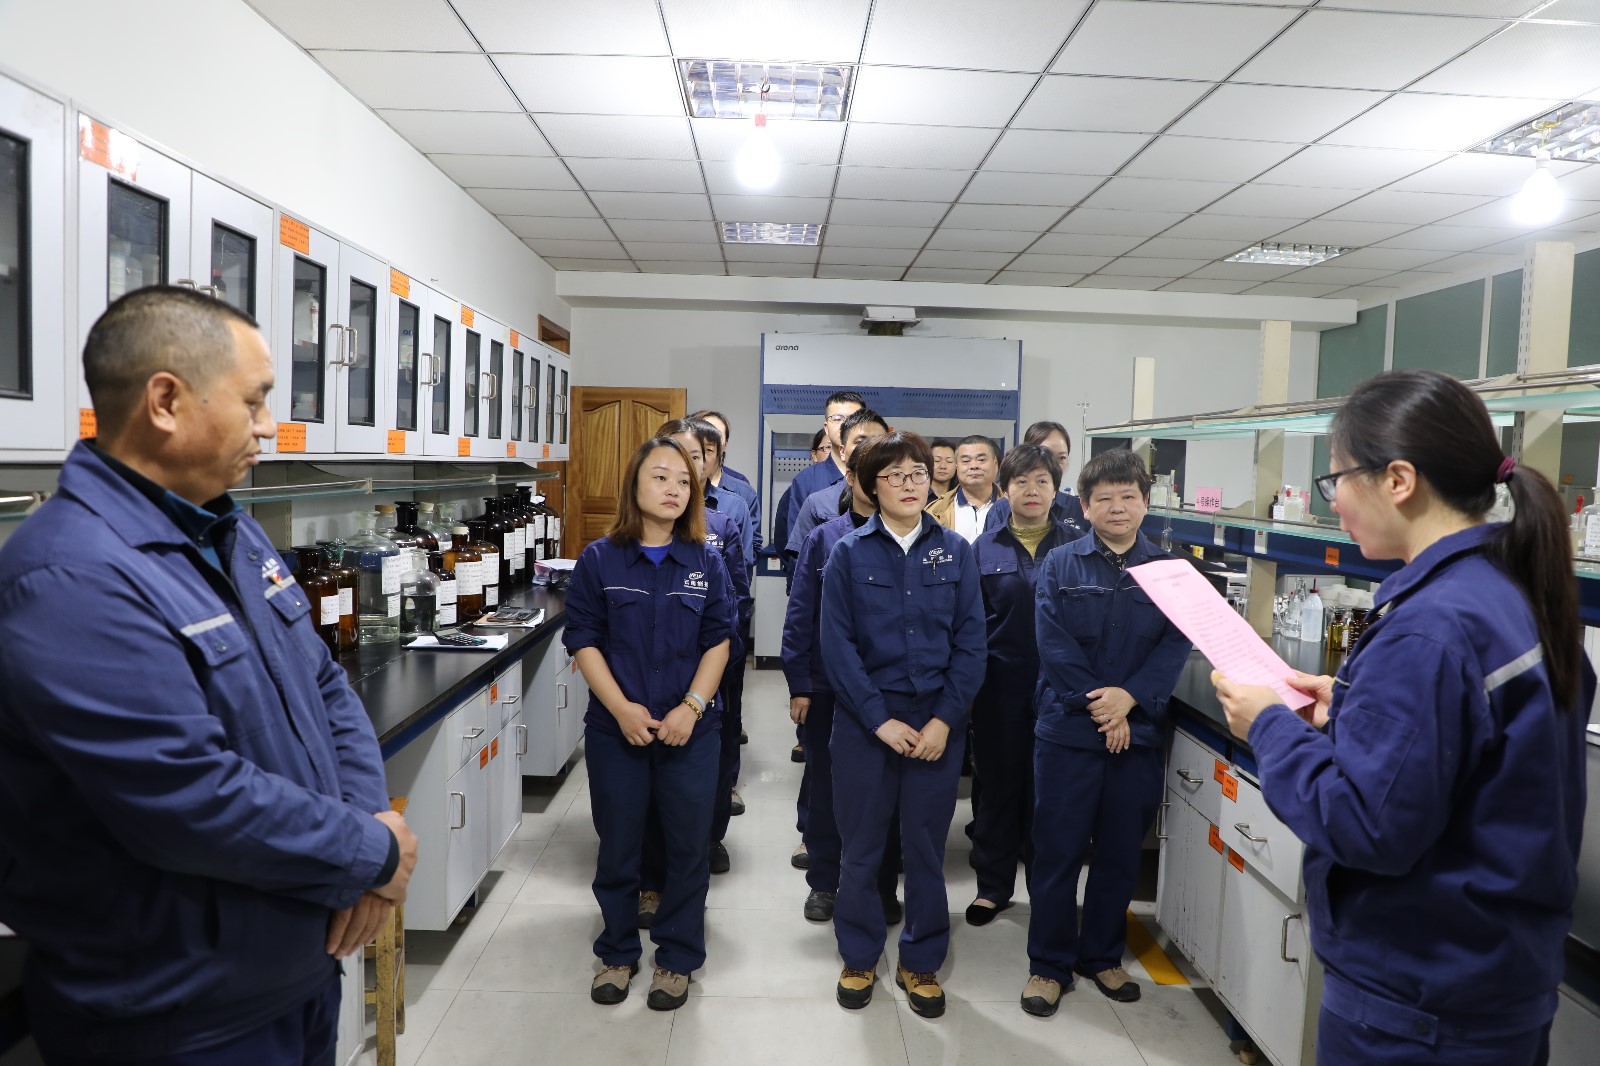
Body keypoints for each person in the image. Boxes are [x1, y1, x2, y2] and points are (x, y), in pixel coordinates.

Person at [0, 287, 418, 1062]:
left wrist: (367, 827)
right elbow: (187, 797)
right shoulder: (71, 576)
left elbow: (325, 686)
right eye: (254, 400)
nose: (268, 424)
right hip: (179, 1016)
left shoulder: (232, 531)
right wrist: (371, 852)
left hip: (294, 971)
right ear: (165, 401)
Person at [1212, 370, 1591, 1066]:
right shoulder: (1512, 590)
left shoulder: (1430, 629)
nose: (1333, 501)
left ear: (1398, 480)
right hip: (1494, 982)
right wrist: (1353, 707)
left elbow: (1365, 824)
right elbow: (1467, 748)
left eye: (1337, 479)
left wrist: (1269, 724)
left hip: (1418, 1007)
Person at [564, 436, 734, 1012]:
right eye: (661, 477)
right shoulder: (600, 560)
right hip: (618, 732)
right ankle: (617, 952)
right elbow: (583, 640)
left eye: (684, 481)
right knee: (619, 846)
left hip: (691, 734)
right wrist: (620, 708)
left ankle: (676, 959)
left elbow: (719, 640)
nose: (674, 489)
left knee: (687, 848)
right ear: (634, 485)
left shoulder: (706, 561)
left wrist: (692, 706)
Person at [820, 431, 985, 1018]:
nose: (910, 483)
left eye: (918, 472)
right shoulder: (848, 553)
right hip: (866, 723)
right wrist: (878, 720)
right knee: (862, 848)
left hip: (937, 722)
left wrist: (945, 721)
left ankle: (921, 961)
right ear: (871, 487)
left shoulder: (956, 552)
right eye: (894, 475)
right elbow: (836, 647)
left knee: (925, 848)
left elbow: (972, 643)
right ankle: (859, 954)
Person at [1023, 448, 1192, 1018]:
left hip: (1136, 735)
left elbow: (1175, 644)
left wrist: (1131, 700)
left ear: (1145, 503)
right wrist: (1105, 707)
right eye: (1105, 498)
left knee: (1121, 853)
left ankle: (1101, 956)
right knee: (1057, 851)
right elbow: (1052, 644)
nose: (1118, 507)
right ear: (1084, 505)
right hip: (1069, 731)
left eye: (1128, 497)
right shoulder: (1060, 563)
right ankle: (1048, 964)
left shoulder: (1170, 572)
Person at [782, 444, 902, 926]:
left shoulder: (909, 539)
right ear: (851, 478)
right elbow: (801, 613)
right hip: (828, 688)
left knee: (887, 793)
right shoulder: (825, 538)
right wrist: (799, 683)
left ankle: (881, 885)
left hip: (890, 690)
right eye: (868, 472)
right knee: (828, 789)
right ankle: (825, 883)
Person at [635, 420, 747, 925]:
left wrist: (707, 685)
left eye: (695, 458)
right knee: (643, 792)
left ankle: (705, 844)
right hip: (643, 686)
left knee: (702, 777)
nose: (682, 471)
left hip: (708, 674)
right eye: (668, 465)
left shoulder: (721, 526)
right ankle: (648, 879)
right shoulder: (619, 549)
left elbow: (734, 605)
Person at [965, 445, 1080, 928]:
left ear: (1056, 489)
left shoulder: (1079, 547)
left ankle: (1044, 891)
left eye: (1042, 482)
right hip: (999, 686)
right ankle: (992, 888)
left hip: (1061, 689)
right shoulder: (981, 549)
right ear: (1004, 489)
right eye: (1021, 482)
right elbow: (968, 625)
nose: (1032, 491)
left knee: (1049, 795)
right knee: (996, 788)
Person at [785, 407, 889, 557]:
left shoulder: (905, 501)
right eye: (860, 441)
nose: (870, 449)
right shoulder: (818, 504)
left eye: (878, 442)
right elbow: (802, 563)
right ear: (842, 451)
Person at [784, 390, 866, 538]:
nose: (845, 425)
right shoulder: (806, 481)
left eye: (853, 418)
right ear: (826, 428)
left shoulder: (882, 475)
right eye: (837, 419)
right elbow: (798, 544)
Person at [986, 421, 1087, 534]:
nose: (1053, 464)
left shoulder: (1079, 508)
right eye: (1046, 455)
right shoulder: (1000, 510)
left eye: (1061, 458)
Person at [774, 427, 830, 582]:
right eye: (827, 447)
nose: (834, 454)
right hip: (807, 579)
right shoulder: (800, 485)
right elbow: (782, 539)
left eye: (838, 448)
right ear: (814, 455)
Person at [927, 434, 1000, 542]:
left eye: (981, 460)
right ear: (956, 466)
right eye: (966, 461)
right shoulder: (933, 512)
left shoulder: (1013, 508)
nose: (974, 466)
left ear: (995, 465)